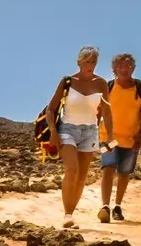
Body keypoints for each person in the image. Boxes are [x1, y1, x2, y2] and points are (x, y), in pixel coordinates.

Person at [44, 47, 108, 225]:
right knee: (72, 169)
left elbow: (106, 111)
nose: (91, 65)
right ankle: (67, 214)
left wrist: (109, 135)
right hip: (67, 129)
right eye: (87, 61)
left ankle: (71, 213)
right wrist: (53, 133)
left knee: (82, 176)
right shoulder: (68, 82)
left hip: (90, 131)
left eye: (94, 61)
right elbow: (50, 109)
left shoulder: (101, 84)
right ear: (79, 62)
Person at [97, 53, 141, 222]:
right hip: (107, 136)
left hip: (131, 139)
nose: (123, 69)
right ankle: (105, 206)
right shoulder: (108, 87)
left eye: (127, 66)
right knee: (108, 168)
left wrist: (140, 135)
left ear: (133, 68)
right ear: (114, 69)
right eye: (119, 66)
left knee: (124, 173)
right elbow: (98, 111)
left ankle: (117, 206)